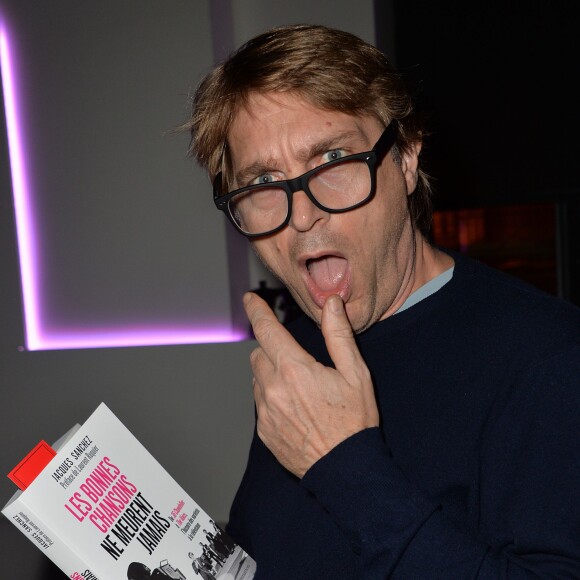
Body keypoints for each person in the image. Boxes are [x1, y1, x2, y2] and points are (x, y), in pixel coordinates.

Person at [186, 24, 580, 578]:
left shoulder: (547, 355)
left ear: (407, 156)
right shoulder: (297, 351)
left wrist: (344, 463)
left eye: (332, 160)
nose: (301, 216)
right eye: (262, 182)